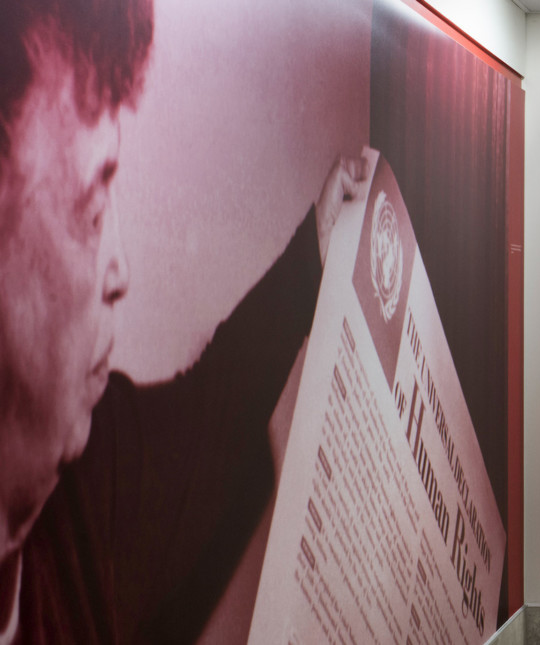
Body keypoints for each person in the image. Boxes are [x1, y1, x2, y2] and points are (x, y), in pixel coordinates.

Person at [0, 0, 367, 641]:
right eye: (89, 211)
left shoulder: (92, 480)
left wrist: (320, 244)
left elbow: (211, 416)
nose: (121, 271)